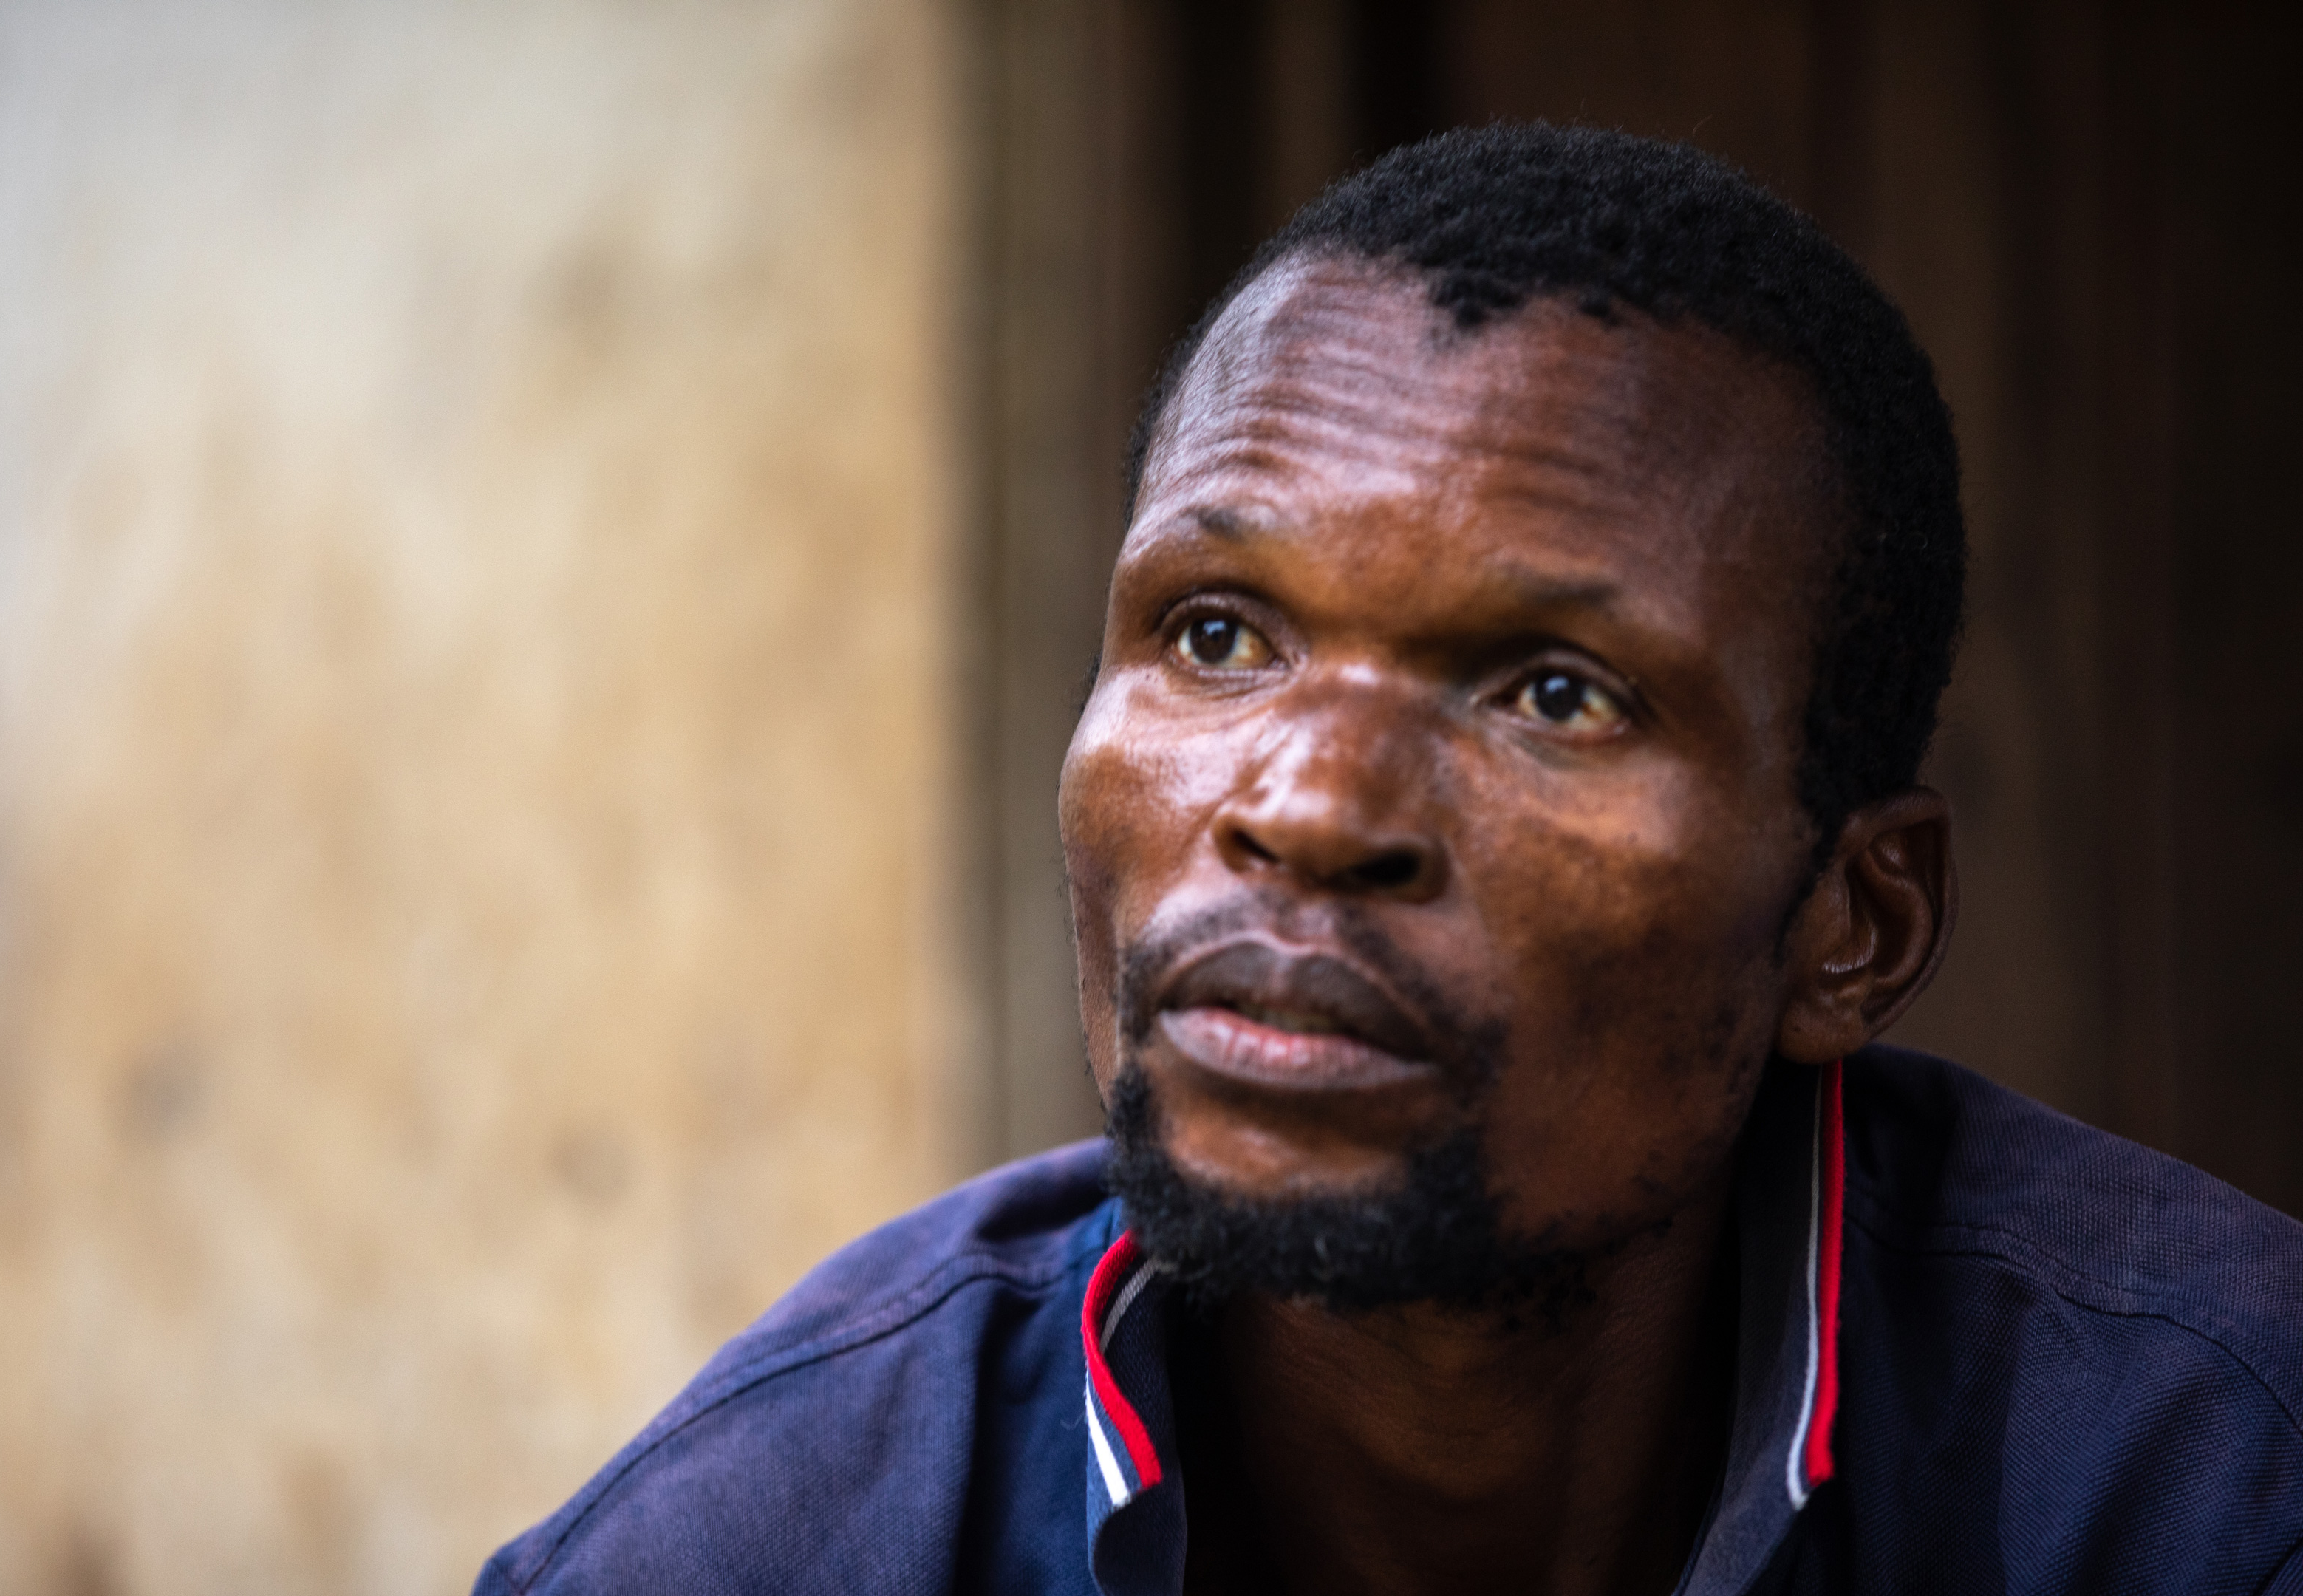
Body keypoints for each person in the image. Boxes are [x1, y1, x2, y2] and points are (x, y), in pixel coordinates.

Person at [473, 125, 2303, 1596]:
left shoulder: (2215, 1480)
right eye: (1213, 636)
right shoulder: (777, 1532)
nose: (1310, 807)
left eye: (1558, 694)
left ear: (1855, 923)